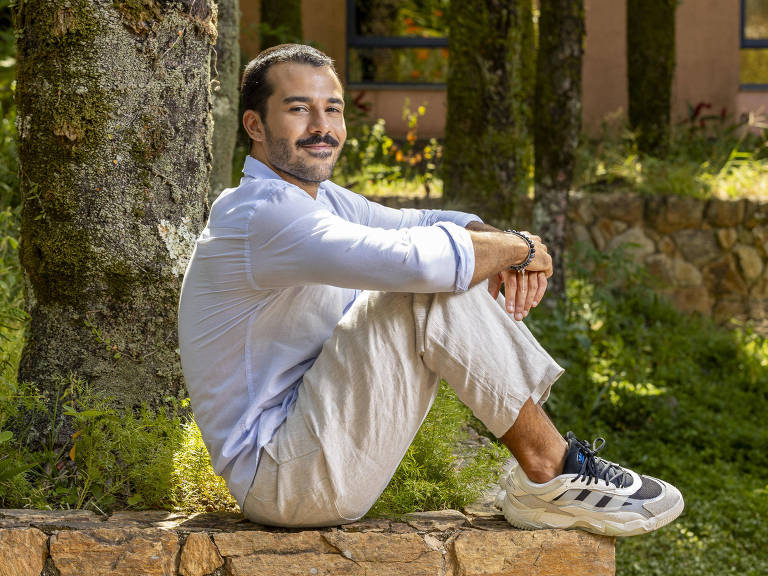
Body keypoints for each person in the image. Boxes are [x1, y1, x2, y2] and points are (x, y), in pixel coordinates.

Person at [177, 44, 683, 536]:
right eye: (298, 110)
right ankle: (552, 470)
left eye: (332, 109)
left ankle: (552, 470)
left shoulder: (316, 200)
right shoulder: (263, 215)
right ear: (255, 126)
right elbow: (413, 261)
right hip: (284, 479)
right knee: (424, 284)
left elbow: (417, 221)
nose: (322, 127)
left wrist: (499, 241)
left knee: (442, 264)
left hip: (308, 446)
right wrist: (516, 249)